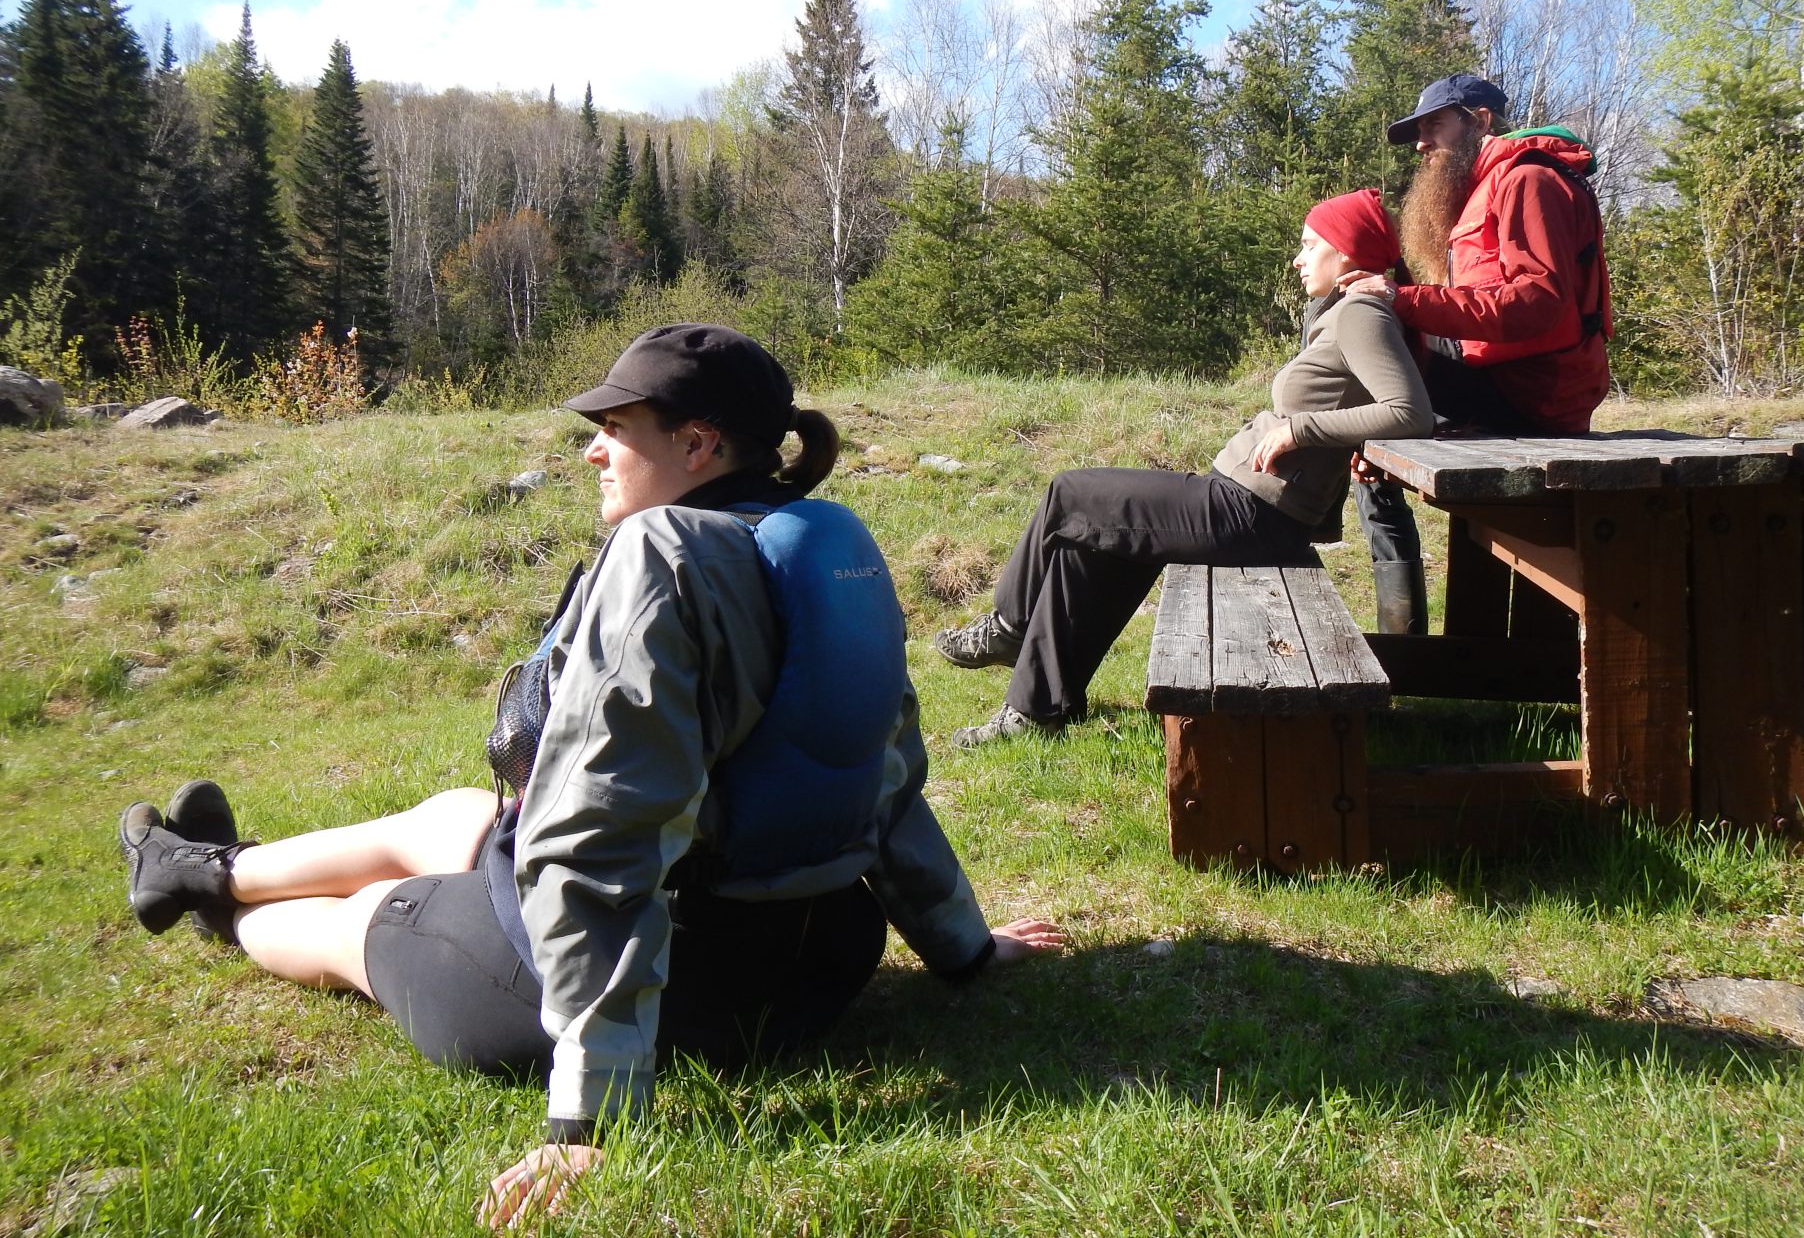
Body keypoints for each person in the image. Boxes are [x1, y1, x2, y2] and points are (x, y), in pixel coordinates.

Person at [115, 323, 1066, 1227]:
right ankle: (202, 866)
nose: (592, 451)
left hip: (681, 991)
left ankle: (219, 912)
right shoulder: (818, 546)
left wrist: (587, 1119)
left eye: (615, 428)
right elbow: (882, 777)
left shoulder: (663, 555)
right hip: (819, 962)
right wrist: (963, 947)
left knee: (364, 919)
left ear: (696, 443)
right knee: (455, 815)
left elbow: (600, 836)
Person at [936, 188, 1433, 747]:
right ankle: (1036, 711)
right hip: (1243, 502)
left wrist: (1300, 430)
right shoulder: (1344, 311)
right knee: (1089, 541)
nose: (1298, 259)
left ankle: (1008, 626)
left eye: (1309, 245)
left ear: (1344, 252)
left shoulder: (1361, 313)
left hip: (1254, 513)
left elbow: (1408, 412)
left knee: (1068, 492)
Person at [1337, 73, 1614, 635]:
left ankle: (1397, 632)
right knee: (1364, 377)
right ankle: (1402, 631)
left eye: (1433, 125)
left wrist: (1403, 299)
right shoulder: (1488, 186)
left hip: (1534, 391)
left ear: (1480, 120)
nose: (1422, 143)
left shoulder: (1530, 180)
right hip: (1502, 379)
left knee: (1367, 323)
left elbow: (1538, 304)